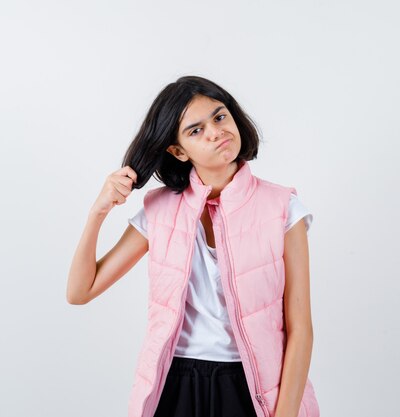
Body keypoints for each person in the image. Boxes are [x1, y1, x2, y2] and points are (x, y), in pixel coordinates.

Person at [66, 75, 320, 417]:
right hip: (175, 385)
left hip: (251, 387)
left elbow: (300, 327)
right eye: (195, 130)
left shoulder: (282, 207)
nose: (216, 132)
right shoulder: (160, 210)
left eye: (219, 116)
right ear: (178, 151)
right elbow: (80, 291)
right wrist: (97, 213)